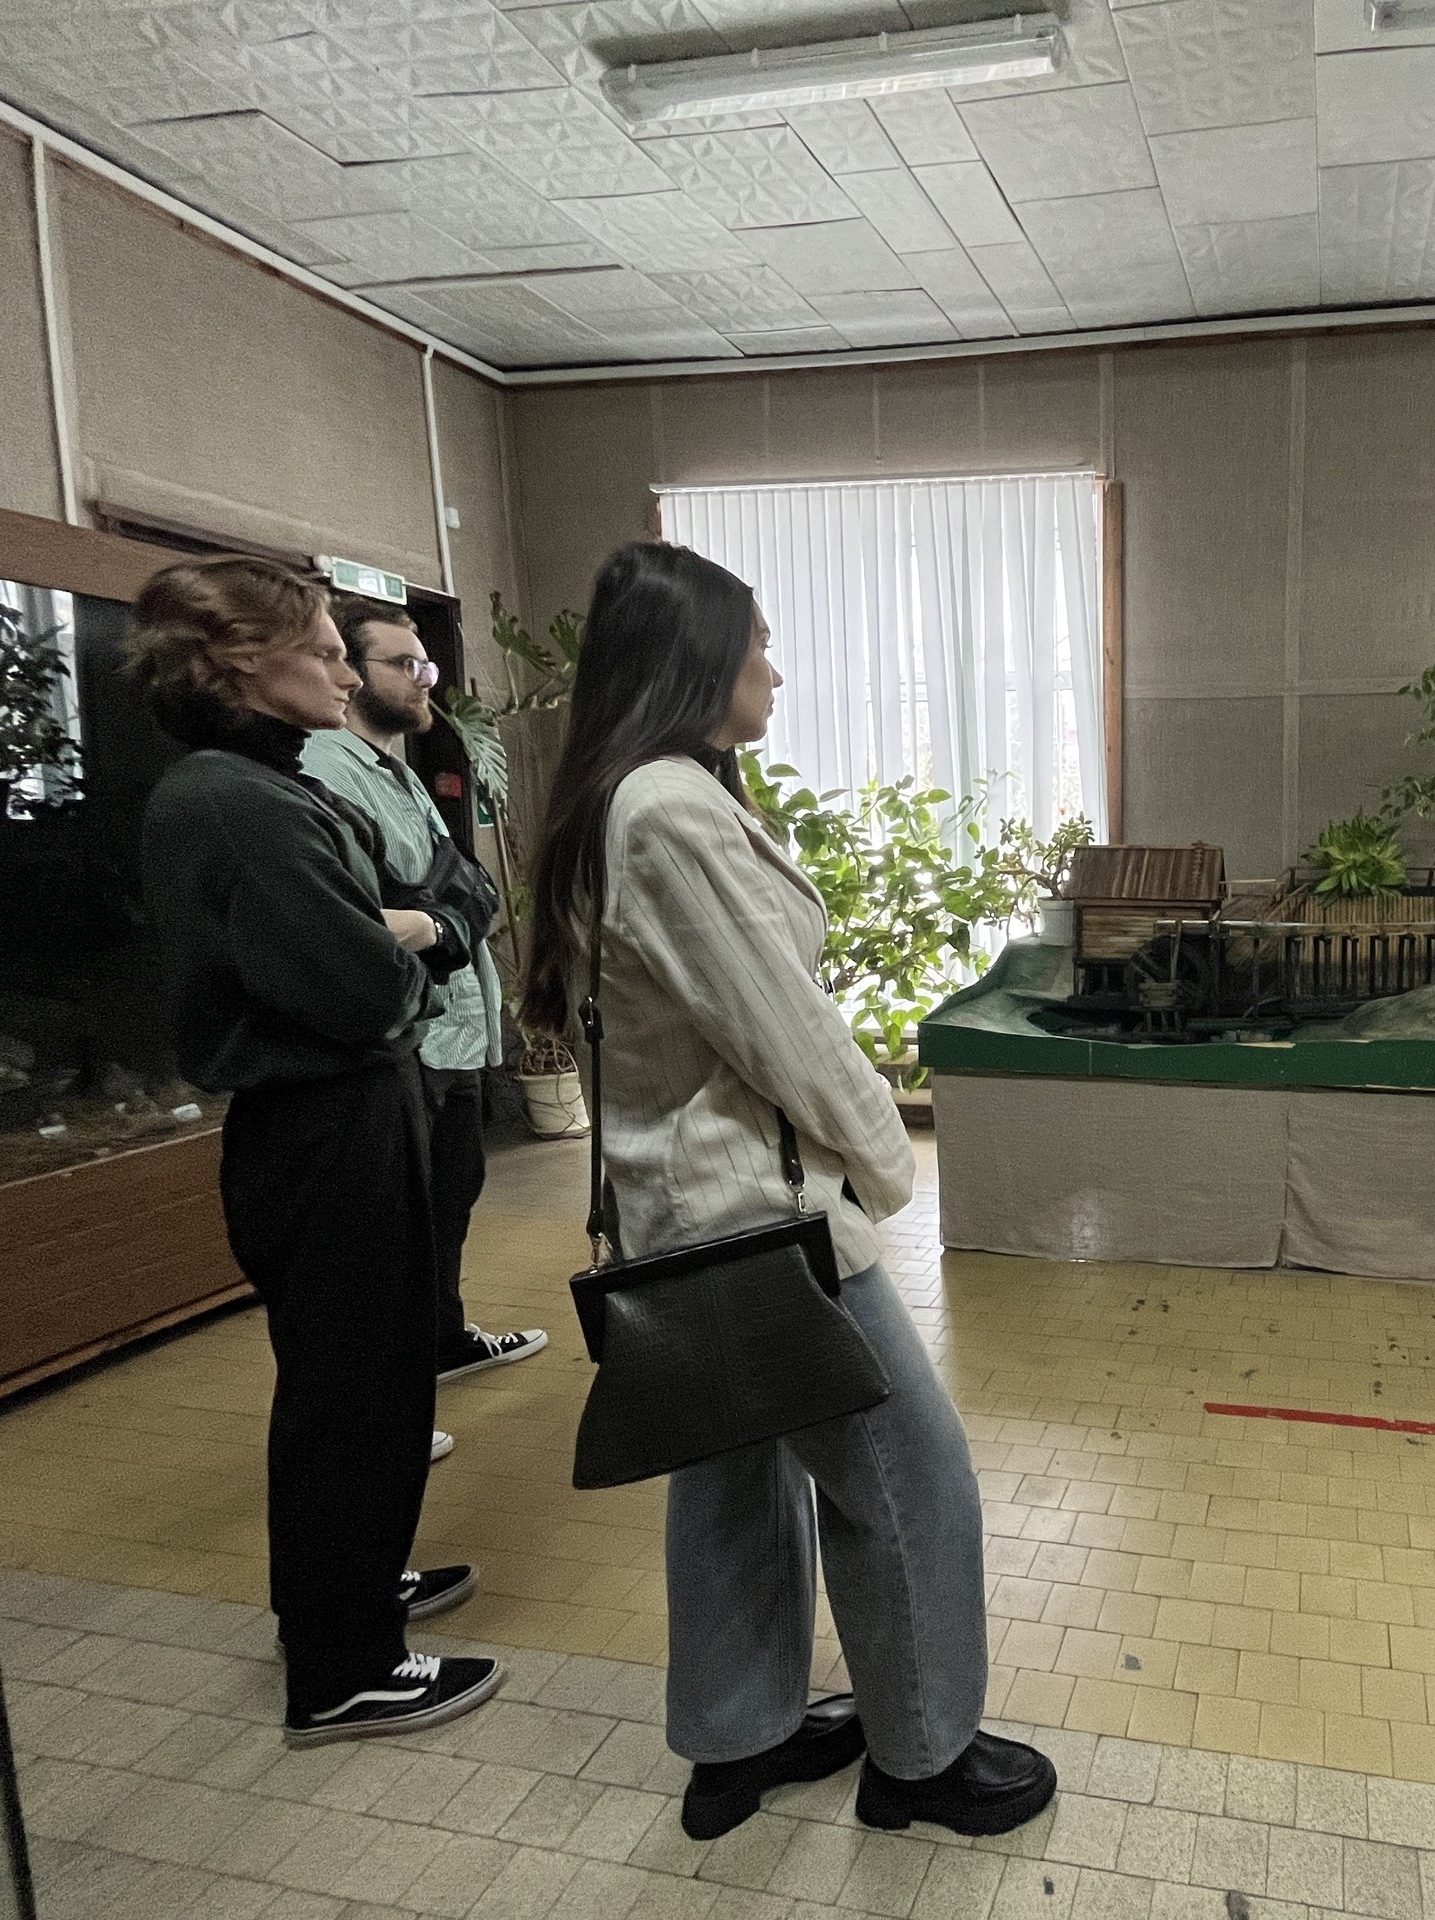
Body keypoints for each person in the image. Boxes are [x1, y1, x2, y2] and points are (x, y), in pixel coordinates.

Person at [522, 541, 1053, 1843]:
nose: (774, 668)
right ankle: (921, 1757)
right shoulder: (670, 809)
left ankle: (738, 1741)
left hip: (682, 1214)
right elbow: (785, 1031)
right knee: (912, 1479)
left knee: (734, 1479)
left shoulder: (624, 797)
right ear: (697, 657)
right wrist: (888, 1162)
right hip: (758, 1216)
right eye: (758, 643)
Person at [128, 556, 502, 1746]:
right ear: (243, 661)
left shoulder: (265, 784)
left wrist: (411, 930)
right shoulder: (235, 801)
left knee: (368, 1381)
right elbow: (366, 985)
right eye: (327, 651)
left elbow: (433, 907)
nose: (347, 673)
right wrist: (413, 942)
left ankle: (348, 1593)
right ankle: (344, 1667)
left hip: (347, 1114)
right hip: (324, 1121)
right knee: (352, 1393)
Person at [303, 597, 547, 1427]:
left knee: (451, 1198)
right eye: (403, 665)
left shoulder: (395, 767)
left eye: (426, 664)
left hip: (455, 1027)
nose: (423, 680)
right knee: (395, 1228)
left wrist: (444, 914)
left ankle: (443, 1341)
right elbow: (374, 910)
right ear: (351, 671)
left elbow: (458, 893)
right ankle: (390, 1403)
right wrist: (443, 915)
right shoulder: (325, 767)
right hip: (406, 1033)